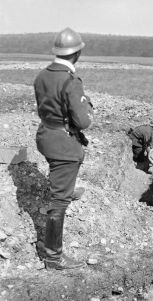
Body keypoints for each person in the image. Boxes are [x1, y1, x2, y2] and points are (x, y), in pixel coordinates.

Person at [34, 27, 93, 270]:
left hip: (46, 135)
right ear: (76, 54)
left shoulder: (42, 75)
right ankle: (53, 257)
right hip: (62, 144)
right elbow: (83, 122)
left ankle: (65, 189)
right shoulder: (71, 81)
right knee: (59, 202)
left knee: (61, 183)